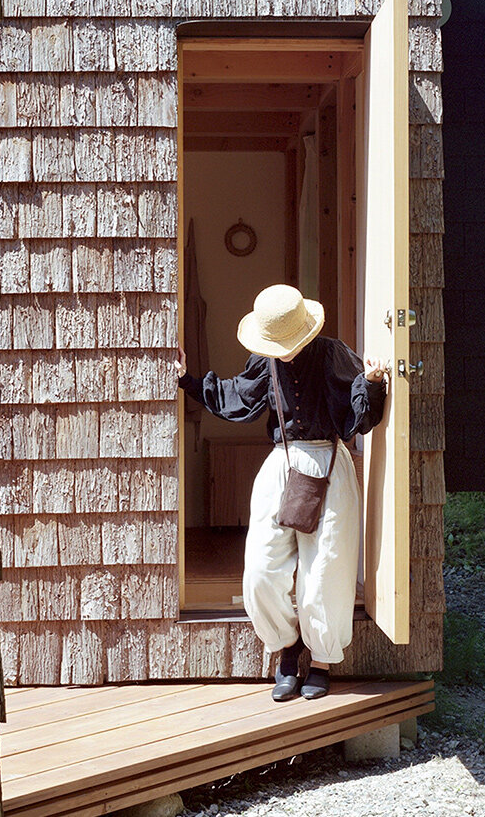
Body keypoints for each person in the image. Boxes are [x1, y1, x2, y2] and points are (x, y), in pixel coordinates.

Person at [175, 284, 387, 702]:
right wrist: (186, 380)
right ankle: (288, 649)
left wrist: (375, 381)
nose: (284, 350)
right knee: (259, 571)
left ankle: (322, 660)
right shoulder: (265, 359)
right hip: (281, 465)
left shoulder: (332, 353)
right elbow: (236, 396)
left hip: (329, 463)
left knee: (326, 569)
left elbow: (362, 415)